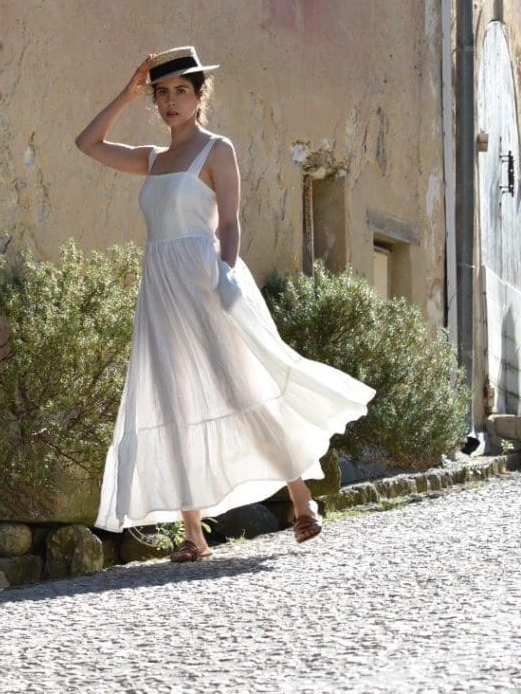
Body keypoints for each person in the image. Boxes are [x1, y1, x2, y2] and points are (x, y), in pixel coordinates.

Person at [74, 46, 375, 562]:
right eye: (162, 93)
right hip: (160, 290)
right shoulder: (152, 160)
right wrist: (126, 92)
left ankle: (302, 503)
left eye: (181, 92)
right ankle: (193, 536)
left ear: (198, 96)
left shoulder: (217, 150)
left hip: (206, 280)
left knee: (242, 390)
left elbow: (231, 222)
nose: (170, 102)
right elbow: (88, 142)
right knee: (172, 402)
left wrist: (227, 276)